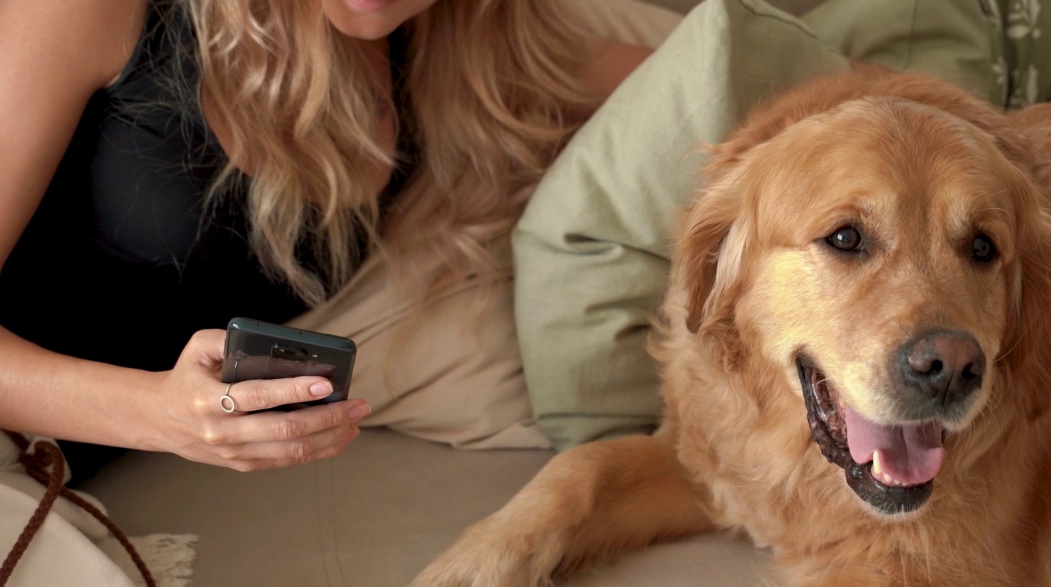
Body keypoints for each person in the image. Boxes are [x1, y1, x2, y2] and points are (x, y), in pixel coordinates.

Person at [0, 0, 658, 479]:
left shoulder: (460, 40)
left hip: (66, 482)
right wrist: (155, 414)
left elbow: (700, 80)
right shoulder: (93, 10)